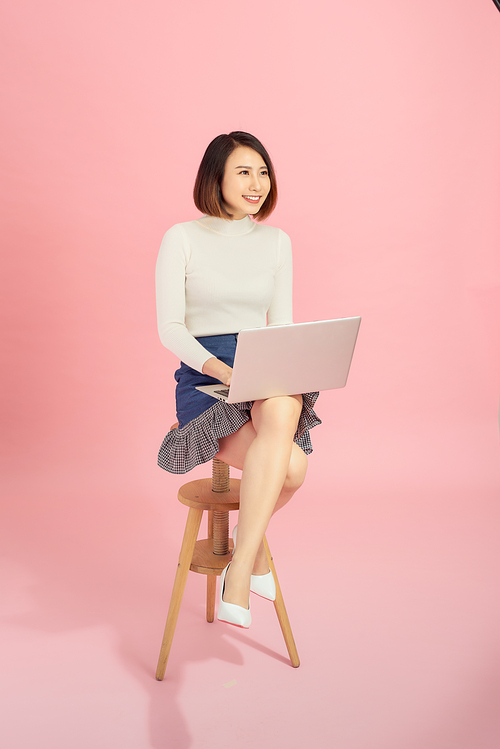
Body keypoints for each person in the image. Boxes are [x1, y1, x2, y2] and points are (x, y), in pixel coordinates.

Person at [155, 131, 320, 628]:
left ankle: (238, 569)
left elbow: (282, 325)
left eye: (263, 171)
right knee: (291, 468)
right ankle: (252, 564)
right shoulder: (181, 237)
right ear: (217, 178)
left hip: (264, 364)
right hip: (205, 373)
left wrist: (283, 366)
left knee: (283, 405)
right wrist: (221, 369)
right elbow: (170, 328)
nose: (257, 183)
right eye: (244, 172)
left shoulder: (276, 241)